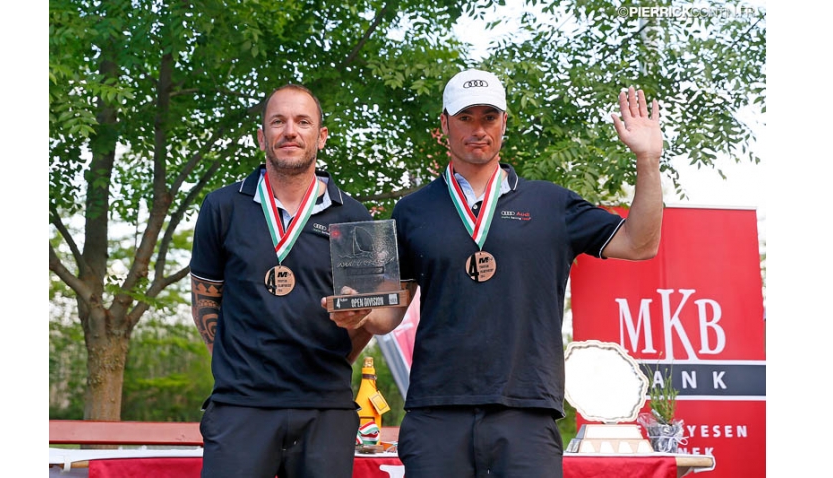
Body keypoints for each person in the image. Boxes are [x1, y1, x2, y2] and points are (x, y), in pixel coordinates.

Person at [327, 68, 664, 477]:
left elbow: (641, 243)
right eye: (466, 117)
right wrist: (359, 311)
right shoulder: (412, 211)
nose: (478, 129)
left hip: (525, 410)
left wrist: (647, 160)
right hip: (437, 412)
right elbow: (389, 312)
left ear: (504, 122)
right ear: (444, 125)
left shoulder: (551, 204)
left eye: (489, 117)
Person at [190, 84, 375, 478]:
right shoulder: (222, 206)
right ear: (262, 137)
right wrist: (237, 366)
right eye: (278, 121)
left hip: (326, 406)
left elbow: (366, 314)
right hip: (241, 406)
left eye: (303, 122)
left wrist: (335, 361)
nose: (290, 131)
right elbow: (206, 300)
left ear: (321, 137)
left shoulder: (354, 215)